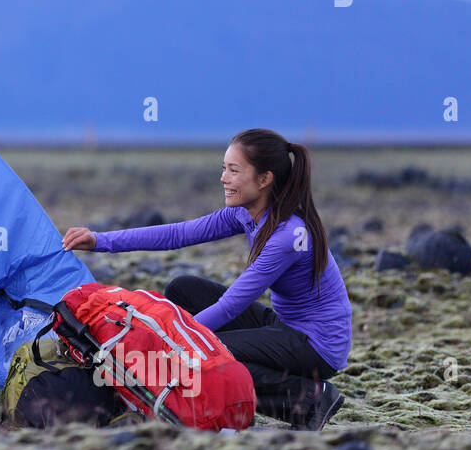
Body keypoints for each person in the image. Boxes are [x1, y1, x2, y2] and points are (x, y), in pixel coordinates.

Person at [61, 128, 350, 430]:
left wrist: (173, 346)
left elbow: (230, 305)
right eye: (224, 168)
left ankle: (309, 399)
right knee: (182, 289)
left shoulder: (288, 236)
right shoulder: (245, 213)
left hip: (318, 345)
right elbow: (178, 234)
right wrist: (99, 240)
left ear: (264, 179)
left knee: (213, 354)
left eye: (234, 170)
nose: (223, 178)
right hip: (286, 327)